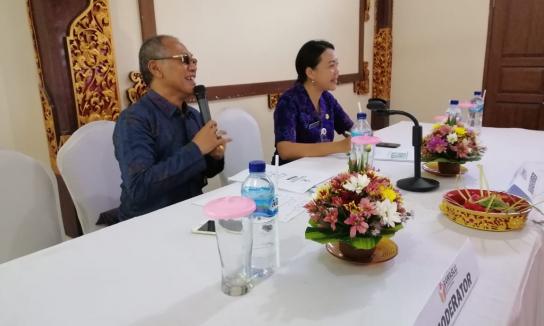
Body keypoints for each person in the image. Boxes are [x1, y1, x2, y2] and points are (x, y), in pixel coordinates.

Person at [113, 35, 229, 221]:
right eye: (184, 60)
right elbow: (139, 188)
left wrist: (215, 155)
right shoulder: (134, 120)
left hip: (190, 213)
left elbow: (207, 172)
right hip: (148, 222)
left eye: (194, 60)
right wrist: (197, 148)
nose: (193, 66)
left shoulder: (193, 115)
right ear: (155, 68)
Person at [273, 40, 353, 165]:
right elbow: (285, 149)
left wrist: (361, 133)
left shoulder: (327, 99)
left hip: (320, 168)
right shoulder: (289, 101)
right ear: (310, 73)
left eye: (337, 65)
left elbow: (350, 129)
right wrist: (338, 146)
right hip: (291, 175)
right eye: (331, 66)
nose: (337, 71)